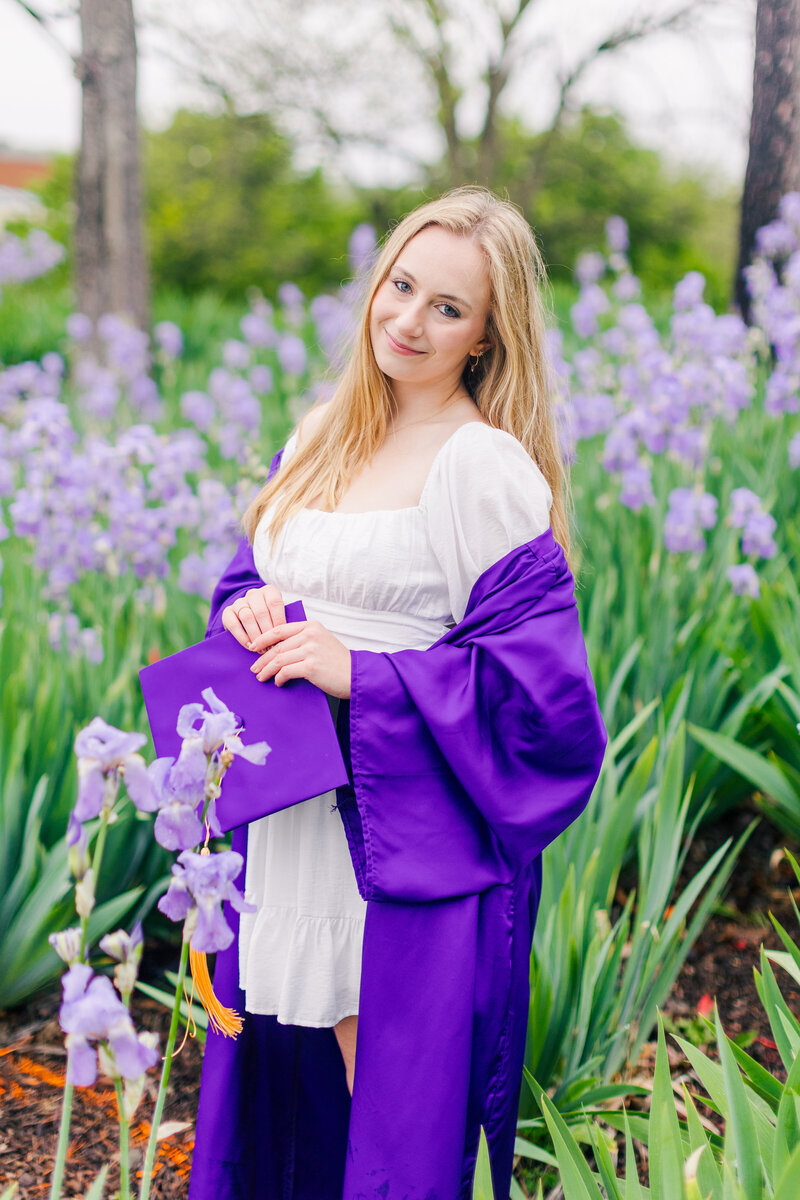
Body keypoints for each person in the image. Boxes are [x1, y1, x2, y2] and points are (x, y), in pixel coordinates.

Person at [188, 186, 607, 1200]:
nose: (408, 320)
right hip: (286, 816)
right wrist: (251, 610)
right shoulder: (321, 429)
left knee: (381, 1100)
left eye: (447, 308)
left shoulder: (479, 467)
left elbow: (544, 708)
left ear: (485, 336)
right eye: (401, 286)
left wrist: (363, 676)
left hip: (391, 836)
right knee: (286, 1102)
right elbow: (261, 578)